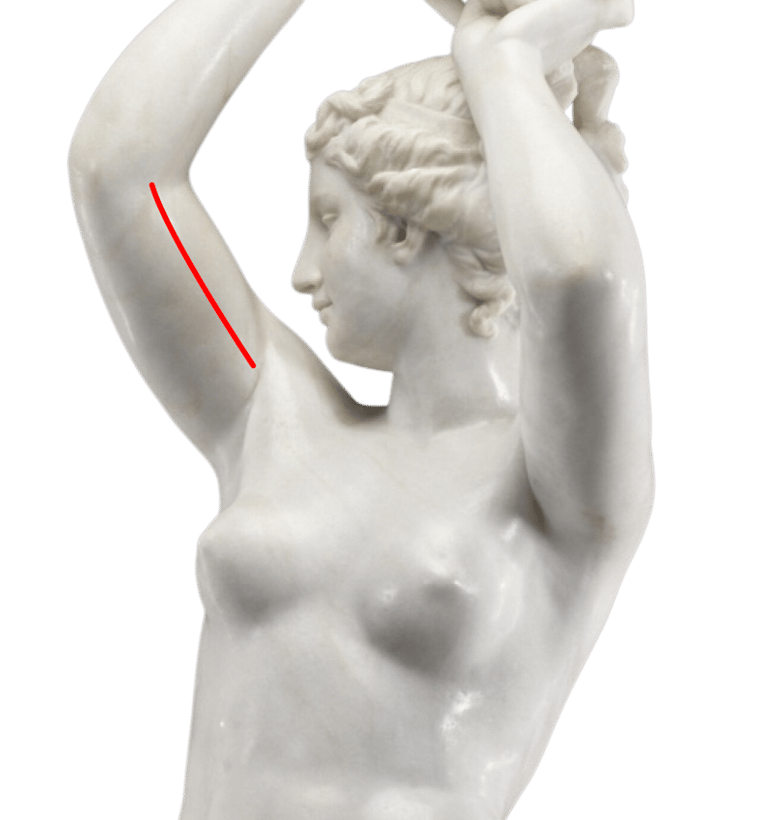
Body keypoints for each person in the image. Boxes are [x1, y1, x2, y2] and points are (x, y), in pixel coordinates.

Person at [67, 1, 654, 818]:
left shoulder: (561, 489)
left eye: (329, 219)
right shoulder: (273, 419)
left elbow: (580, 278)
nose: (302, 272)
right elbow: (120, 172)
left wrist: (502, 59)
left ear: (417, 223)